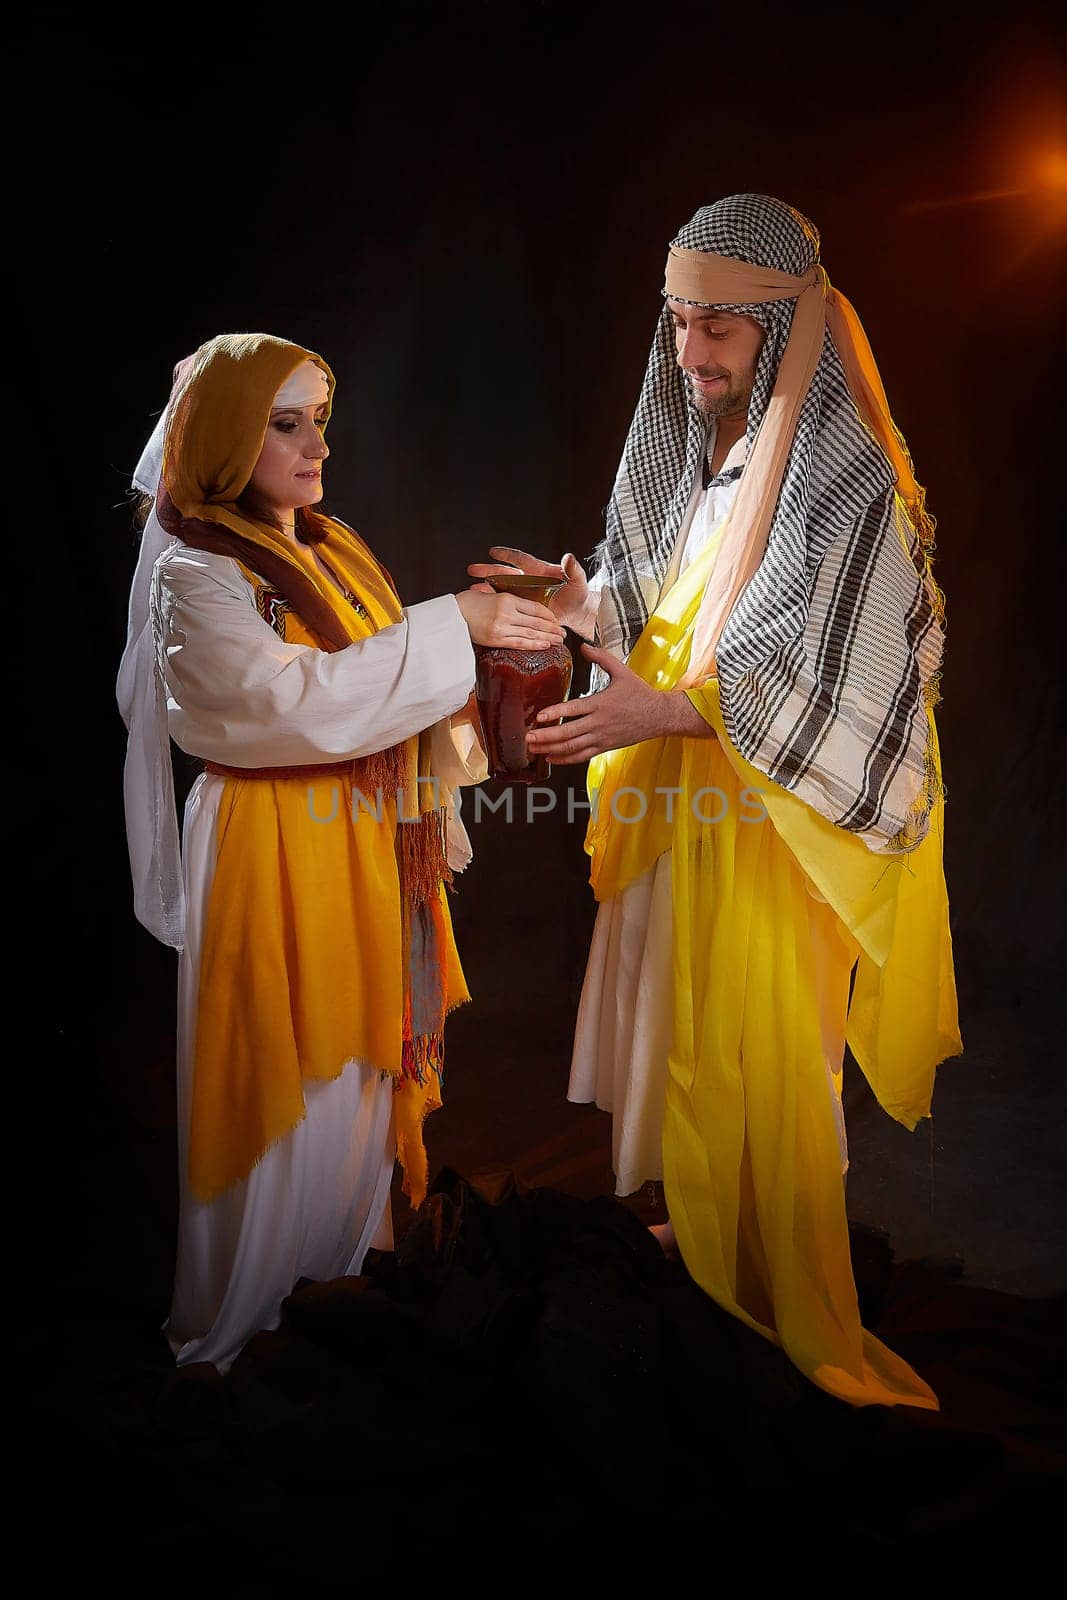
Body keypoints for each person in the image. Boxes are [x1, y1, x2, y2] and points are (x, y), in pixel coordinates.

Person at [470, 194, 963, 1409]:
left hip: (766, 835)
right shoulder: (725, 459)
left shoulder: (853, 487)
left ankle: (763, 1283)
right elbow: (682, 619)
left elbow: (853, 668)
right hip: (696, 823)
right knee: (682, 1048)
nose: (688, 353)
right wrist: (591, 608)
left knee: (765, 1064)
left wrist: (667, 714)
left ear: (783, 331)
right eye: (679, 322)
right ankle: (700, 1247)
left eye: (717, 331)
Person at [118, 332, 564, 1371]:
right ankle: (258, 1312)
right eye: (284, 424)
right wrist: (454, 622)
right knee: (284, 1070)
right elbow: (288, 703)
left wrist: (451, 767)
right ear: (228, 434)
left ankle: (344, 1281)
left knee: (359, 1071)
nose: (315, 445)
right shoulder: (197, 573)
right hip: (271, 846)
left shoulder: (334, 547)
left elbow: (389, 691)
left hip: (359, 849)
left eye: (321, 419)